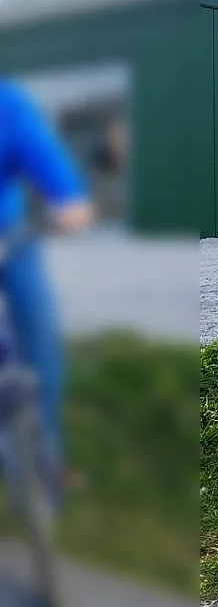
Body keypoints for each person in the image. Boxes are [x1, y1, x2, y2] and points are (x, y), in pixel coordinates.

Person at [0, 79, 95, 490]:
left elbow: (40, 151)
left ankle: (45, 460)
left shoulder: (8, 102)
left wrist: (67, 197)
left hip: (10, 239)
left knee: (39, 336)